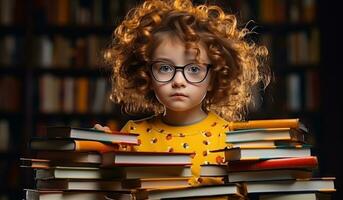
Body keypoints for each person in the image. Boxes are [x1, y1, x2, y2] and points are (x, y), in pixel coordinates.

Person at [94, 0, 270, 186]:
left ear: (213, 77)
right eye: (164, 68)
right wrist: (99, 152)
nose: (178, 81)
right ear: (147, 76)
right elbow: (114, 190)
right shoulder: (131, 137)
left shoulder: (230, 138)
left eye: (194, 69)